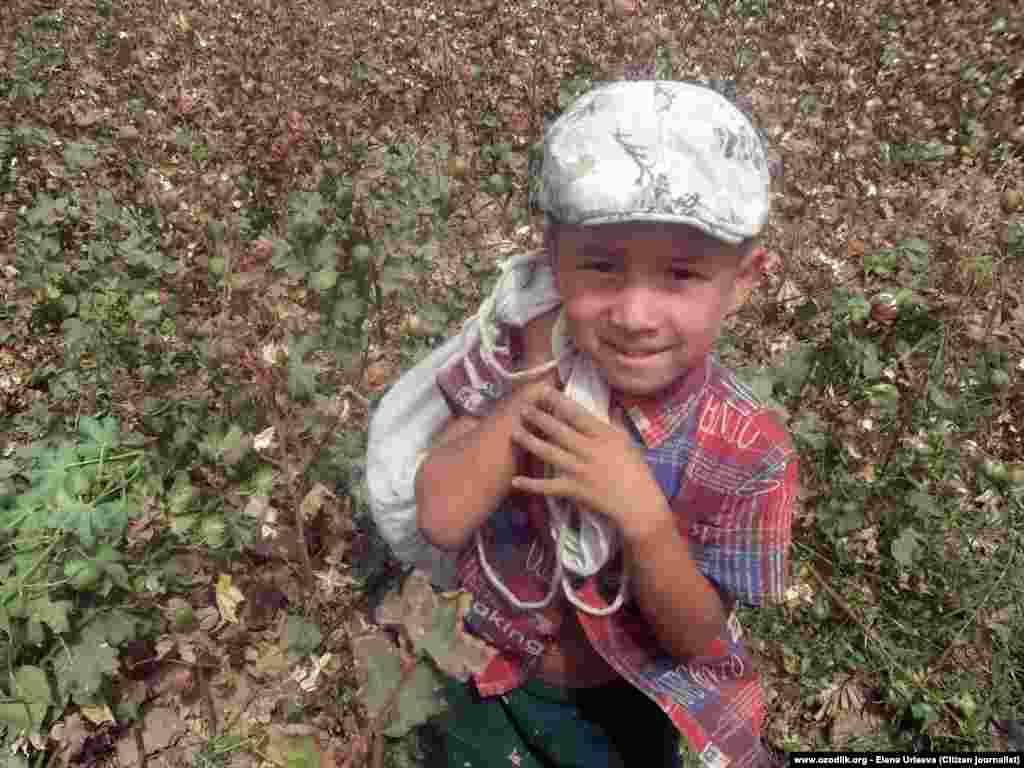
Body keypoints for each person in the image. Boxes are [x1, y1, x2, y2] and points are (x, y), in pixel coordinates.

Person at [413, 80, 799, 768]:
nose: (634, 315)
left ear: (743, 282)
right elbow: (441, 518)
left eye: (680, 275)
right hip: (485, 678)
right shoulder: (511, 361)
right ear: (551, 258)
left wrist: (642, 518)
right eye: (600, 266)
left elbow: (697, 639)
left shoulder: (749, 448)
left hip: (628, 702)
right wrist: (537, 376)